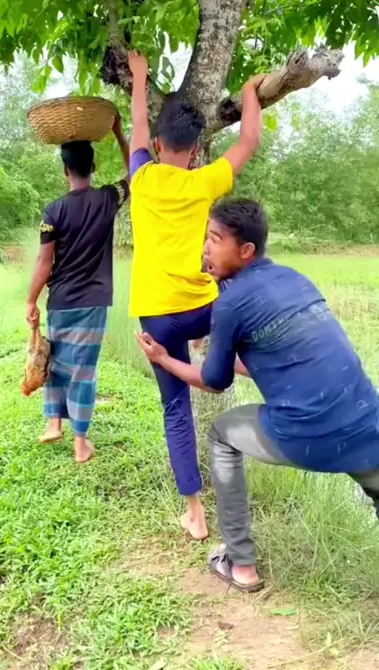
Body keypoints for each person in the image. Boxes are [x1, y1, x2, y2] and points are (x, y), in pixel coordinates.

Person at [137, 198, 379, 590]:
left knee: (222, 435)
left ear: (246, 250)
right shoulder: (295, 279)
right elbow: (279, 362)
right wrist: (222, 353)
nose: (205, 248)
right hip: (369, 423)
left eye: (215, 239)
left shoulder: (230, 303)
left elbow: (214, 382)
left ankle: (240, 563)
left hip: (308, 432)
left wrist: (163, 358)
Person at [128, 50, 265, 540]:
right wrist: (248, 92)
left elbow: (136, 124)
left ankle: (195, 513)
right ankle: (246, 365)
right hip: (204, 306)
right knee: (234, 333)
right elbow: (249, 139)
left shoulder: (141, 178)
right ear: (194, 151)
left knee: (175, 408)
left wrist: (140, 78)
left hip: (157, 315)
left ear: (159, 144)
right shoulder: (204, 182)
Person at [26, 117, 129, 463]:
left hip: (60, 300)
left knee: (56, 360)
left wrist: (31, 299)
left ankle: (53, 422)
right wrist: (118, 132)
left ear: (65, 171)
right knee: (83, 370)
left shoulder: (53, 211)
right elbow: (137, 173)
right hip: (93, 301)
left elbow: (44, 261)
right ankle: (80, 443)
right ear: (93, 167)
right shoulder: (108, 198)